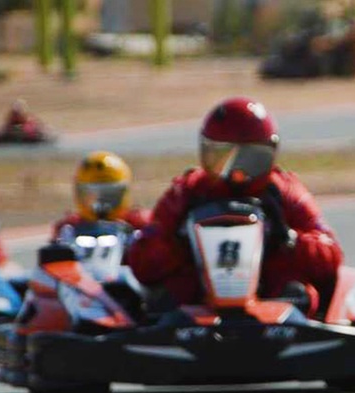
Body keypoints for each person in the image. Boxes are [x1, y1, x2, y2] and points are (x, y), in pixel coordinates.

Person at [127, 97, 343, 317]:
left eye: (250, 159)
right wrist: (178, 242)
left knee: (302, 293)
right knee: (163, 299)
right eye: (223, 158)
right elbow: (141, 259)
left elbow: (330, 254)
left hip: (269, 293)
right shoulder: (187, 191)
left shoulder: (284, 191)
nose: (237, 174)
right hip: (198, 298)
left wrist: (288, 239)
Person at [51, 151, 151, 239]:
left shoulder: (141, 224)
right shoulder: (68, 229)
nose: (102, 202)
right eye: (93, 194)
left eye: (109, 195)